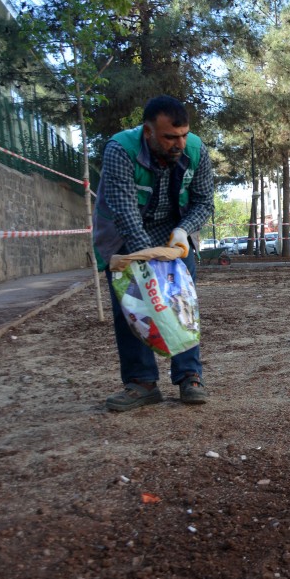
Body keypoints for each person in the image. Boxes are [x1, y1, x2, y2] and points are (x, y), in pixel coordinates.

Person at [93, 96, 215, 411]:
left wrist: (183, 231)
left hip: (174, 234)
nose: (179, 144)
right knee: (131, 306)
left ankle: (190, 376)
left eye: (183, 135)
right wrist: (146, 260)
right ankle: (141, 383)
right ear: (148, 132)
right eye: (170, 137)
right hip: (124, 234)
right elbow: (124, 212)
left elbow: (204, 202)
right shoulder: (120, 150)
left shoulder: (197, 151)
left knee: (182, 302)